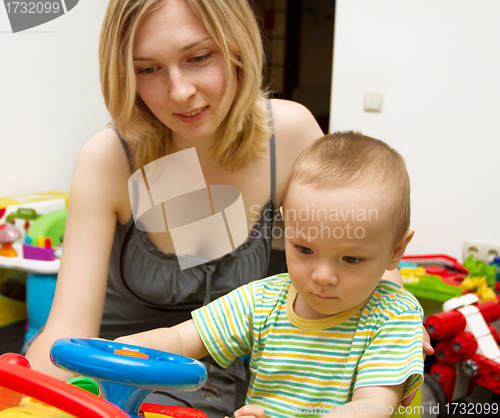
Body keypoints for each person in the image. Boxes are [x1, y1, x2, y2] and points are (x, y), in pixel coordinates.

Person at [24, 0, 429, 415]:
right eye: (148, 69)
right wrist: (26, 399)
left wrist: (396, 325)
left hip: (228, 392)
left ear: (237, 47)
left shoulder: (287, 135)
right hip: (108, 379)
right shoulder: (109, 159)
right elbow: (69, 331)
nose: (180, 91)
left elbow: (358, 232)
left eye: (198, 58)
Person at [114, 132, 424, 418]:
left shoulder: (393, 316)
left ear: (396, 252)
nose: (323, 275)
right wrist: (112, 352)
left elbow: (373, 405)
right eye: (304, 249)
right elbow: (180, 339)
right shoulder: (263, 300)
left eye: (351, 258)